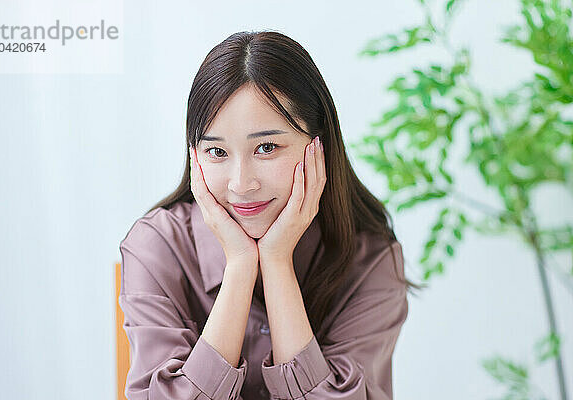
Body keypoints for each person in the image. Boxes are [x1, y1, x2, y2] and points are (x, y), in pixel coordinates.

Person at [118, 30, 420, 400]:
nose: (241, 185)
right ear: (194, 155)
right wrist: (241, 265)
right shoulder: (157, 247)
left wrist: (276, 262)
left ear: (319, 147)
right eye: (216, 152)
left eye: (266, 147)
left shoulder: (371, 259)